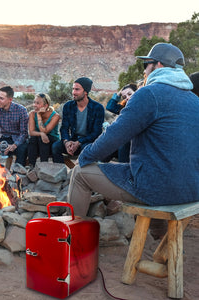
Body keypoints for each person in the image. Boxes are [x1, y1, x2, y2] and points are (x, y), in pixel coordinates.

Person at [68, 43, 199, 231]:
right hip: (192, 189)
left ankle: (70, 242)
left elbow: (115, 136)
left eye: (146, 64)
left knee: (80, 173)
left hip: (158, 187)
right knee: (146, 174)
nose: (144, 70)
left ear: (158, 65)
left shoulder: (149, 94)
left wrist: (85, 155)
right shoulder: (195, 100)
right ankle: (165, 249)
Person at [51, 77, 105, 164]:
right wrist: (66, 142)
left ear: (86, 92)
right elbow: (64, 128)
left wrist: (79, 142)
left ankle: (82, 175)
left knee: (86, 149)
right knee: (56, 147)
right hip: (73, 140)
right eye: (73, 89)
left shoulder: (97, 108)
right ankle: (60, 175)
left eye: (77, 89)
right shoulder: (68, 106)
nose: (73, 92)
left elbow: (96, 132)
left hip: (88, 142)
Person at [106, 83, 138, 162]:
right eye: (124, 97)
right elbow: (110, 107)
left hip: (135, 143)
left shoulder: (143, 106)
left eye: (130, 94)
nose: (127, 98)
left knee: (122, 144)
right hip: (124, 143)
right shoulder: (124, 109)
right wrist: (119, 93)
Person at [28, 93, 60, 167]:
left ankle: (43, 166)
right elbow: (31, 132)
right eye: (34, 102)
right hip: (38, 140)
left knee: (41, 139)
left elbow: (45, 131)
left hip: (52, 141)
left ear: (45, 105)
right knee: (33, 139)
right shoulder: (32, 114)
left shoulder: (55, 116)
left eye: (38, 103)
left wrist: (39, 115)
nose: (34, 105)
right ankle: (31, 166)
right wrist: (41, 134)